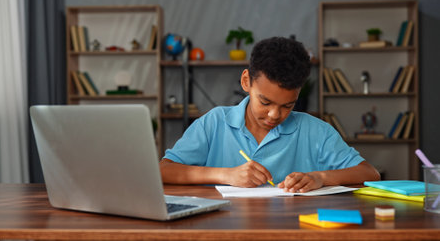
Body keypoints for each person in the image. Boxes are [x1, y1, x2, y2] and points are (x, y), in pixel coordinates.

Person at [160, 37, 380, 193]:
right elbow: (164, 171)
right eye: (265, 102)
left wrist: (320, 177)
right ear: (246, 81)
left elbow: (369, 173)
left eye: (288, 105)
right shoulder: (215, 122)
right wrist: (226, 175)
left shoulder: (315, 130)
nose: (275, 115)